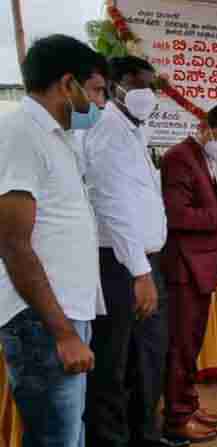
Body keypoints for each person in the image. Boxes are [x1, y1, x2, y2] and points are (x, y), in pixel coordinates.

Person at [0, 34, 108, 447]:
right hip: (41, 320)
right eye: (96, 90)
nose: (99, 103)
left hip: (61, 314)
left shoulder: (57, 138)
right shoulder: (20, 132)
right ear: (68, 84)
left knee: (67, 433)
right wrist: (62, 333)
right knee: (55, 438)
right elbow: (13, 243)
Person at [82, 56, 183, 447]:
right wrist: (139, 272)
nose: (146, 92)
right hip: (121, 263)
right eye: (135, 83)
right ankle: (112, 440)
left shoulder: (134, 130)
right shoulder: (108, 128)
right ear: (113, 85)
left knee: (148, 358)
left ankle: (144, 434)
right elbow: (113, 204)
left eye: (150, 85)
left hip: (143, 262)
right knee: (114, 363)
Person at [161, 106, 217, 443]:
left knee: (191, 343)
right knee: (181, 346)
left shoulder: (201, 159)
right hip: (184, 268)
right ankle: (176, 419)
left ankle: (188, 403)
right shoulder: (180, 157)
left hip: (199, 269)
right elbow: (178, 215)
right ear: (206, 128)